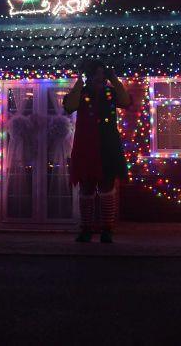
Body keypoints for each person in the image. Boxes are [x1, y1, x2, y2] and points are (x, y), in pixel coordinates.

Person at [63, 60, 132, 243]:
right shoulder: (82, 92)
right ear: (90, 75)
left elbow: (125, 101)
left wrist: (114, 80)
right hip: (86, 145)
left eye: (103, 73)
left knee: (106, 187)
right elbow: (69, 106)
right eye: (97, 73)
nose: (100, 77)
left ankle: (106, 229)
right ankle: (86, 228)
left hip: (107, 145)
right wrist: (79, 83)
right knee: (86, 187)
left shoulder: (110, 93)